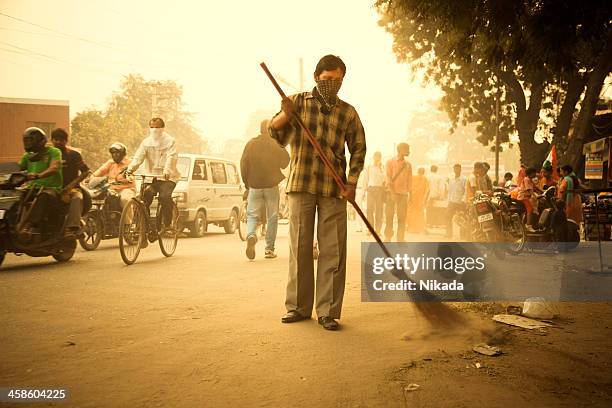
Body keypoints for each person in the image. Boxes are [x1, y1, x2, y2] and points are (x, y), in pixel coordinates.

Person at [270, 54, 366, 331]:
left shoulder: (348, 112)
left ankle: (328, 311)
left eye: (337, 81)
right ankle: (297, 307)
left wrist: (352, 183)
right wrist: (285, 116)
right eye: (327, 80)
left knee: (332, 251)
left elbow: (358, 148)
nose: (332, 85)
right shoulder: (297, 103)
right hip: (301, 184)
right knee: (300, 248)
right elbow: (277, 135)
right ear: (316, 77)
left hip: (333, 188)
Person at [240, 119, 290, 260]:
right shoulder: (275, 143)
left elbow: (243, 165)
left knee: (252, 215)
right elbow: (285, 162)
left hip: (254, 186)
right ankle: (269, 249)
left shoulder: (250, 144)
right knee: (272, 217)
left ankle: (251, 235)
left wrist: (247, 184)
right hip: (271, 185)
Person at [126, 117, 180, 242]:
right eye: (152, 127)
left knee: (164, 197)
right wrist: (130, 170)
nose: (154, 130)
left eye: (157, 127)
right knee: (145, 197)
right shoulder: (146, 142)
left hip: (167, 177)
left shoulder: (170, 141)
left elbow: (171, 158)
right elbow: (138, 157)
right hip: (151, 177)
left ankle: (167, 224)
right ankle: (144, 227)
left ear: (162, 128)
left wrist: (167, 170)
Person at [18, 127, 63, 234]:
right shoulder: (28, 156)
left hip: (51, 189)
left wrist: (39, 175)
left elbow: (54, 168)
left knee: (43, 196)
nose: (28, 143)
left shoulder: (54, 152)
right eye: (26, 140)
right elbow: (17, 168)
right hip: (31, 188)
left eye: (31, 140)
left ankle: (29, 225)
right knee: (14, 196)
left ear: (40, 140)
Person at [51, 128, 90, 235]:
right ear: (51, 140)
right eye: (56, 139)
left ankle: (72, 228)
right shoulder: (48, 155)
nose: (58, 142)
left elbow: (85, 172)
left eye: (61, 140)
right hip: (52, 189)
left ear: (66, 141)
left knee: (77, 198)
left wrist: (70, 186)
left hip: (72, 189)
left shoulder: (74, 155)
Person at [92, 142, 136, 208]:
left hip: (126, 188)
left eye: (117, 153)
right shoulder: (110, 163)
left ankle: (128, 218)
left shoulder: (129, 163)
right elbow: (99, 172)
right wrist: (91, 178)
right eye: (113, 153)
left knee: (125, 199)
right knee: (96, 198)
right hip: (111, 189)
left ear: (123, 154)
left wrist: (126, 179)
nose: (115, 155)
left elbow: (130, 176)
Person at [384, 143, 412, 242]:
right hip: (391, 193)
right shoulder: (390, 162)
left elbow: (409, 181)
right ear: (400, 150)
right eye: (407, 149)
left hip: (403, 194)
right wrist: (392, 194)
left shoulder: (408, 165)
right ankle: (388, 236)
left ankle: (400, 238)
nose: (409, 151)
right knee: (389, 216)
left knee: (402, 218)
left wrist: (410, 195)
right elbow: (388, 178)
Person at [361, 151, 385, 235]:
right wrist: (363, 193)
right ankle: (370, 230)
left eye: (379, 157)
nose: (377, 158)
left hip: (380, 190)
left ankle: (378, 230)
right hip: (371, 189)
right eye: (376, 156)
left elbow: (384, 179)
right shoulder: (369, 167)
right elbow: (365, 180)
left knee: (379, 211)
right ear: (373, 157)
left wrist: (380, 169)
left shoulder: (383, 167)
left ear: (380, 158)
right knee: (369, 210)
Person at [406, 167, 429, 234]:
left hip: (413, 198)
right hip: (418, 200)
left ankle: (410, 227)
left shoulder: (414, 177)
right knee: (418, 213)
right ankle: (418, 228)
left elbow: (409, 188)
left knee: (411, 212)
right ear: (423, 172)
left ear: (418, 171)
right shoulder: (424, 179)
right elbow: (426, 190)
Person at [446, 164, 466, 238]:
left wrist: (463, 200)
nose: (457, 170)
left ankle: (463, 234)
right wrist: (448, 200)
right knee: (447, 216)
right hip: (452, 201)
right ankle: (449, 234)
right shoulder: (451, 179)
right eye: (455, 169)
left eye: (458, 169)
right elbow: (450, 190)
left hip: (461, 202)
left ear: (460, 170)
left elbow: (465, 191)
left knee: (462, 218)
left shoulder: (464, 179)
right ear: (453, 170)